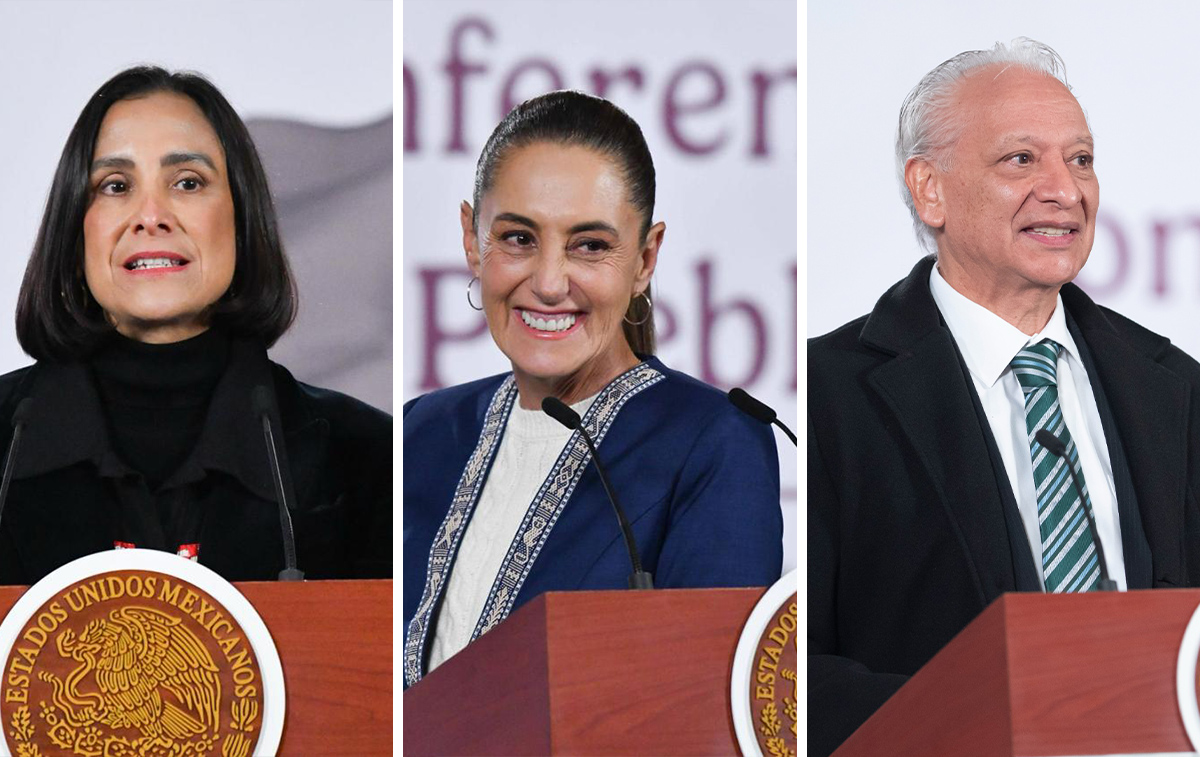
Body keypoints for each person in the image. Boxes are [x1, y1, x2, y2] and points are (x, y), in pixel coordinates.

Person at [808, 38, 1200, 756]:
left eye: (1080, 159)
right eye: (1022, 159)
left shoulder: (1173, 385)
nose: (1065, 189)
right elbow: (798, 675)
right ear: (930, 190)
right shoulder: (828, 396)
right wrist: (990, 714)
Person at [402, 91, 783, 687]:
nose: (550, 283)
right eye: (519, 239)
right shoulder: (421, 431)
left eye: (591, 246)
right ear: (472, 241)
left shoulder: (713, 443)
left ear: (646, 258)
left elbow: (707, 710)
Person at [0, 66, 391, 585]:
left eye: (187, 182)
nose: (151, 215)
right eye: (115, 185)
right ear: (75, 236)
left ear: (242, 222)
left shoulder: (368, 456)